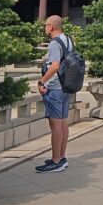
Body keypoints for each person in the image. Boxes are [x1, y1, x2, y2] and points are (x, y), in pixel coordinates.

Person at [35, 15, 71, 173]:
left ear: (51, 27)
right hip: (65, 86)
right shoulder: (68, 39)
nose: (45, 28)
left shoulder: (54, 43)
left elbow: (55, 65)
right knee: (63, 123)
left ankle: (56, 161)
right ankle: (61, 157)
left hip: (55, 88)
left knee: (55, 125)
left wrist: (42, 81)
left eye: (46, 25)